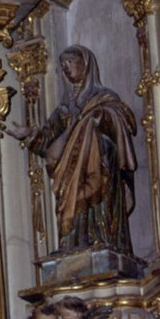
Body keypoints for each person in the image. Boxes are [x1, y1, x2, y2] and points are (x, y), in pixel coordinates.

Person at [9, 46, 139, 256]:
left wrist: (100, 118)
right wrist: (29, 134)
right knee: (71, 211)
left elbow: (124, 121)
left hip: (100, 168)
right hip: (71, 175)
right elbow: (47, 142)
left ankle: (103, 239)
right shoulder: (64, 108)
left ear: (85, 64)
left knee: (99, 172)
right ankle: (74, 244)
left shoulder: (104, 97)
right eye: (63, 65)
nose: (67, 68)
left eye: (70, 62)